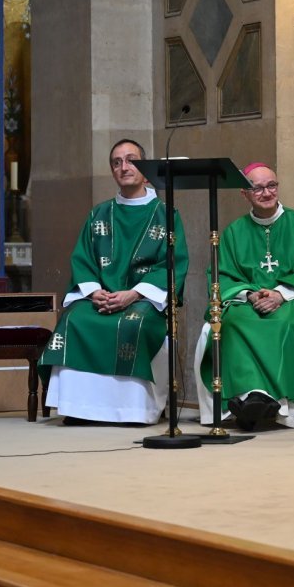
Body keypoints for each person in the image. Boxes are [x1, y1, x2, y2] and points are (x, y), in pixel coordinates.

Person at [39, 139, 189, 425]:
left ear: (145, 170)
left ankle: (133, 411)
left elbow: (172, 264)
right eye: (117, 162)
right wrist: (94, 292)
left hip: (143, 301)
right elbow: (82, 260)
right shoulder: (98, 214)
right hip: (103, 297)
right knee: (75, 319)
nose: (124, 167)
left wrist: (133, 294)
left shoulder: (166, 215)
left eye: (131, 160)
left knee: (134, 323)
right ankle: (79, 408)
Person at [194, 163, 294, 431]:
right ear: (245, 194)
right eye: (257, 188)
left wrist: (279, 294)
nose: (266, 192)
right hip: (246, 301)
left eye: (271, 185)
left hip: (292, 299)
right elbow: (222, 274)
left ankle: (274, 404)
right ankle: (248, 397)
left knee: (286, 323)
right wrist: (249, 294)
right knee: (233, 324)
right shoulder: (234, 232)